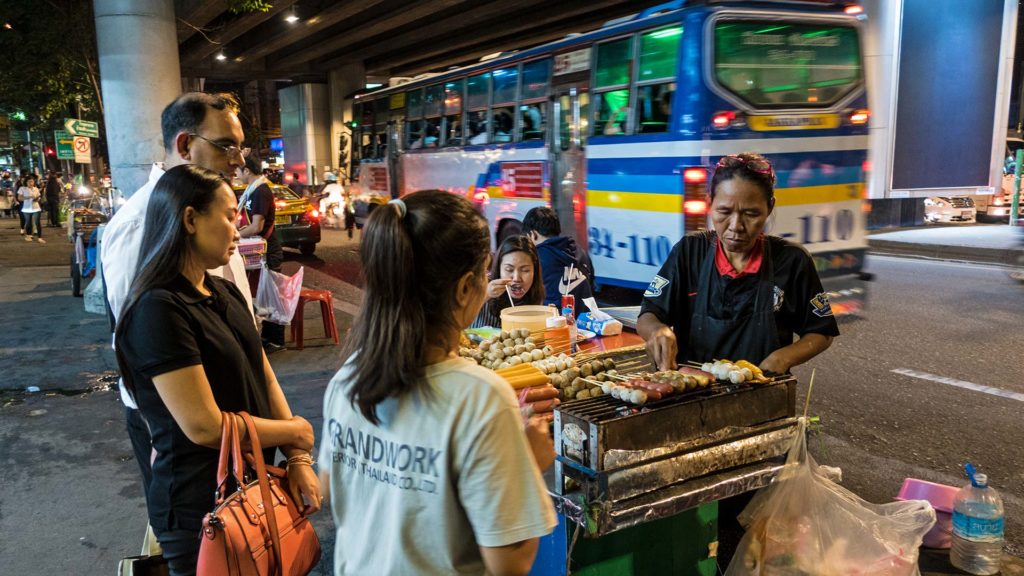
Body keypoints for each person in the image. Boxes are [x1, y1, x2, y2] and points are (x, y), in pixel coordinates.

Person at [318, 190, 557, 575]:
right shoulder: (480, 398)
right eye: (485, 272)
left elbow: (328, 486)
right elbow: (509, 563)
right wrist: (527, 464)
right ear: (465, 288)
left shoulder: (349, 377)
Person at [114, 165, 321, 576]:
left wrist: (297, 457)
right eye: (228, 215)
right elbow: (204, 427)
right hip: (200, 507)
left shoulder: (221, 289)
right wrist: (294, 432)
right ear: (190, 219)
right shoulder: (158, 308)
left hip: (253, 487)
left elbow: (262, 374)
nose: (238, 226)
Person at [100, 91, 255, 538]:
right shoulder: (138, 226)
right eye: (226, 145)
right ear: (185, 146)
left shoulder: (214, 209)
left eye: (240, 147)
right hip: (182, 436)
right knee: (206, 549)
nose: (237, 159)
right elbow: (147, 349)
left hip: (235, 426)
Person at [637, 152, 839, 374]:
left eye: (751, 214)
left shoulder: (792, 261)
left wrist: (782, 358)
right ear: (709, 203)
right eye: (724, 211)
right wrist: (657, 330)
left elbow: (821, 332)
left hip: (763, 391)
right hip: (691, 393)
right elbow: (649, 313)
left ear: (769, 207)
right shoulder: (689, 252)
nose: (736, 226)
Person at [236, 154, 286, 353]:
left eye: (238, 170)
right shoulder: (252, 190)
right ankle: (267, 337)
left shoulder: (260, 191)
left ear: (246, 170)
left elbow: (257, 226)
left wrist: (235, 234)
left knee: (272, 296)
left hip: (269, 251)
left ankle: (277, 341)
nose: (236, 174)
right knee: (264, 295)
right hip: (263, 250)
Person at [522, 206, 594, 313]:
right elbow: (591, 284)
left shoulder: (536, 258)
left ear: (533, 235)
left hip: (556, 324)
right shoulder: (580, 251)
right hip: (587, 322)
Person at [471, 235, 545, 328]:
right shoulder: (481, 285)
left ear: (535, 271)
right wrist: (485, 295)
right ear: (499, 269)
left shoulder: (535, 293)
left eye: (525, 270)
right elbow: (459, 319)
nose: (516, 278)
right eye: (509, 270)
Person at [18, 175, 44, 243]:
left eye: (32, 181)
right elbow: (20, 198)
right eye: (29, 182)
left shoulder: (36, 189)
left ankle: (40, 237)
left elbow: (39, 197)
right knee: (28, 222)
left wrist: (37, 199)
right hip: (26, 208)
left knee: (37, 223)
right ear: (26, 182)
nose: (31, 183)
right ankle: (29, 236)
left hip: (36, 207)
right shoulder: (22, 188)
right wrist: (28, 197)